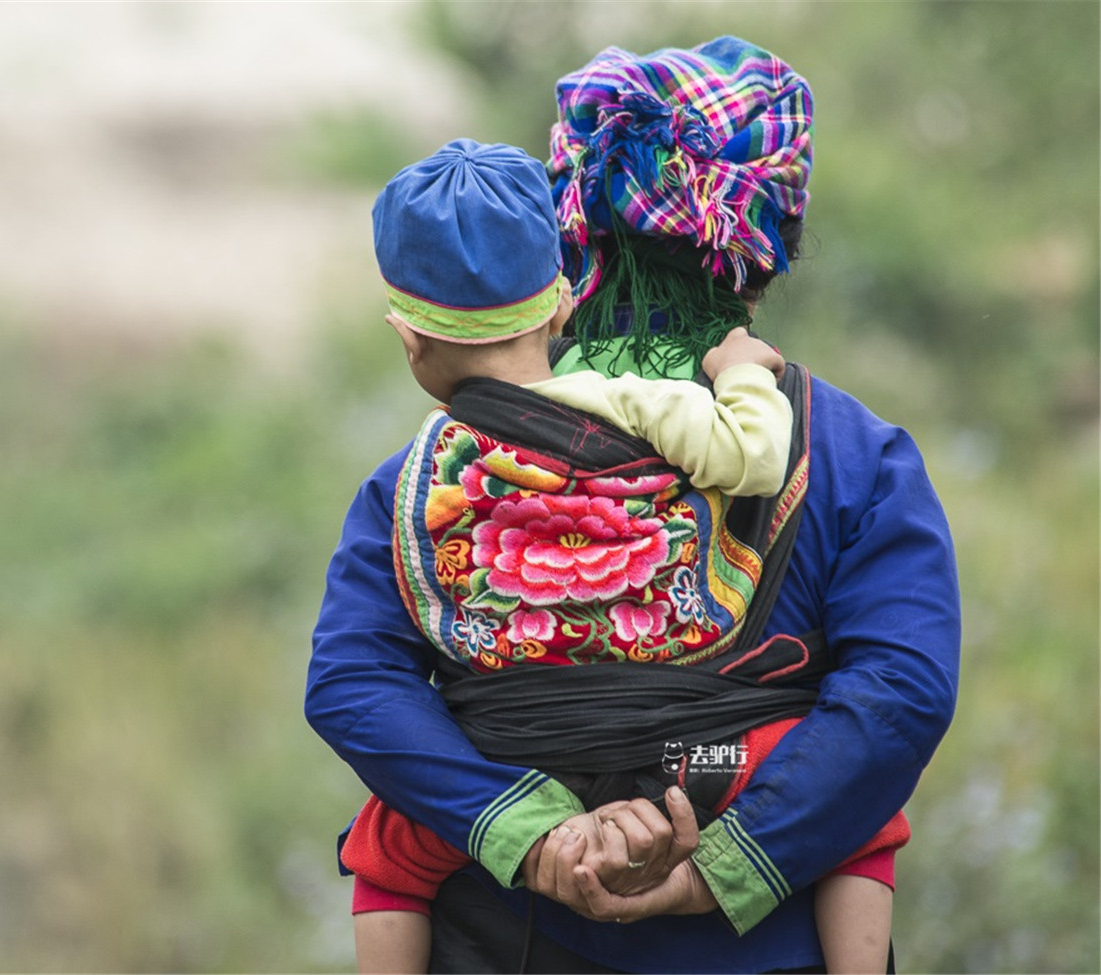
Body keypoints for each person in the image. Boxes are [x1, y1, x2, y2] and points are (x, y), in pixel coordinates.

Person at [306, 36, 959, 974]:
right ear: (764, 244)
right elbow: (899, 694)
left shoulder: (435, 475)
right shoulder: (856, 457)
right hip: (770, 939)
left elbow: (354, 686)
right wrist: (717, 870)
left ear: (569, 224)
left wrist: (536, 839)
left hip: (501, 938)